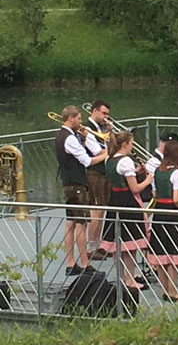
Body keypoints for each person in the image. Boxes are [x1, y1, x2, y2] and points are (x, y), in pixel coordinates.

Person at [55, 105, 107, 276]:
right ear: (70, 118)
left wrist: (83, 140)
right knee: (81, 223)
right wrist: (108, 153)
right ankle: (85, 264)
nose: (80, 121)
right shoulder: (68, 138)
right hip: (77, 185)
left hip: (69, 183)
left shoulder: (64, 136)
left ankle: (71, 263)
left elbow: (77, 153)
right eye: (78, 118)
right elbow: (86, 161)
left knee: (70, 222)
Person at [100, 131, 153, 290]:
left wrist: (135, 172)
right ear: (125, 144)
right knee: (130, 245)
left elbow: (120, 177)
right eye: (131, 143)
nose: (132, 147)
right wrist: (149, 179)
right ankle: (130, 279)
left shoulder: (110, 158)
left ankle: (122, 277)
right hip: (128, 204)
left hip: (115, 201)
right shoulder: (126, 161)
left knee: (119, 244)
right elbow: (135, 188)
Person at [147, 141, 178, 303]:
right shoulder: (177, 174)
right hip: (173, 215)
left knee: (161, 253)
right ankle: (174, 291)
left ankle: (165, 290)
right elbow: (176, 198)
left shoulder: (156, 171)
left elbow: (154, 194)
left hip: (159, 214)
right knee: (176, 254)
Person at [84, 100, 112, 260]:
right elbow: (96, 151)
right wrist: (111, 148)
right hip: (94, 172)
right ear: (95, 111)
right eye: (104, 113)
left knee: (102, 209)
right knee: (96, 209)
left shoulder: (101, 128)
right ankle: (90, 247)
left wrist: (111, 134)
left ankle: (97, 244)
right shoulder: (88, 129)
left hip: (104, 171)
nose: (106, 117)